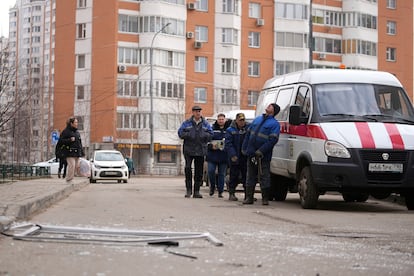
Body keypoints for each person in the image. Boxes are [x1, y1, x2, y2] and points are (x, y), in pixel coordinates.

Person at [242, 103, 280, 205]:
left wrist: (261, 151)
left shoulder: (274, 124)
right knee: (250, 175)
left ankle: (265, 199)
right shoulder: (257, 119)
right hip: (251, 153)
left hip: (263, 155)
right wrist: (244, 148)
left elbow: (273, 140)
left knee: (264, 176)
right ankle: (249, 197)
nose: (268, 107)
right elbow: (248, 134)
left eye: (270, 106)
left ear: (273, 111)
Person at [178, 105, 213, 198]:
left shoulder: (205, 124)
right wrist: (190, 134)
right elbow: (180, 133)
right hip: (189, 149)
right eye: (196, 111)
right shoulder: (187, 123)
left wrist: (203, 135)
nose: (198, 113)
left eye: (199, 111)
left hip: (201, 150)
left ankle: (196, 191)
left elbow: (211, 134)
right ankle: (188, 190)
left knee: (199, 171)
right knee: (188, 169)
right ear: (193, 112)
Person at [225, 112, 249, 201]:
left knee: (246, 176)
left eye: (243, 120)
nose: (242, 122)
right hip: (234, 156)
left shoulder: (248, 129)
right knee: (233, 175)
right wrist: (233, 155)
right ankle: (232, 193)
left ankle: (248, 195)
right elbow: (228, 144)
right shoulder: (230, 130)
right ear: (236, 120)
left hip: (245, 156)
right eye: (240, 120)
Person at [206, 113, 231, 198]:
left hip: (223, 155)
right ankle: (212, 187)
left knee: (222, 174)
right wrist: (211, 146)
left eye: (222, 119)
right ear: (217, 120)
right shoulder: (212, 129)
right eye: (219, 119)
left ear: (225, 120)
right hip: (212, 155)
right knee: (210, 171)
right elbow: (207, 140)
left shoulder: (229, 129)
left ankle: (220, 191)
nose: (221, 121)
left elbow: (230, 141)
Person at [60, 116, 84, 184]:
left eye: (77, 122)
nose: (77, 123)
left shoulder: (77, 132)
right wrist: (69, 140)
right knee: (72, 165)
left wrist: (81, 152)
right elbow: (61, 141)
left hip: (76, 152)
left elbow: (79, 143)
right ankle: (69, 179)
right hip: (69, 152)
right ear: (71, 123)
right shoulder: (66, 131)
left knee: (76, 167)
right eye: (76, 122)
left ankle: (71, 178)